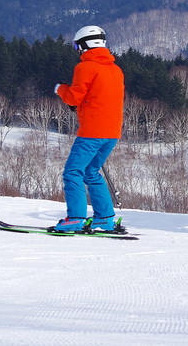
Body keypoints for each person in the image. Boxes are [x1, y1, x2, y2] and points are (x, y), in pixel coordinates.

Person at [52, 25, 126, 233]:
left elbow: (73, 97)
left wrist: (60, 89)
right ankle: (104, 218)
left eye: (76, 46)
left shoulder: (85, 68)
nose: (77, 50)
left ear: (84, 44)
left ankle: (75, 219)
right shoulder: (115, 70)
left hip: (92, 131)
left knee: (72, 172)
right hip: (112, 132)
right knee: (91, 172)